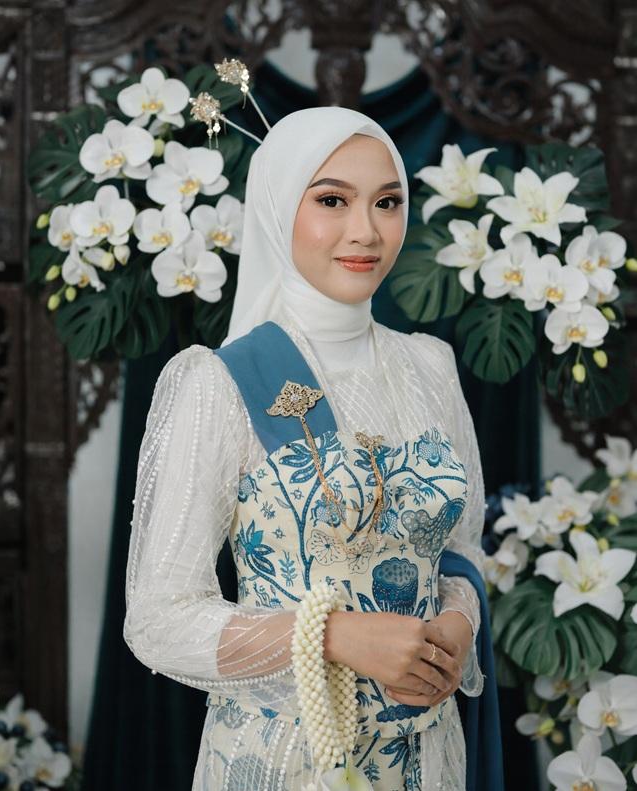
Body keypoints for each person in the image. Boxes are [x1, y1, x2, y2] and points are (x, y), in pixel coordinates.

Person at [123, 106, 503, 791]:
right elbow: (157, 620)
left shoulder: (429, 367)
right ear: (277, 208)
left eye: (386, 202)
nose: (366, 231)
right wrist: (332, 635)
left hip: (428, 756)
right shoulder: (219, 383)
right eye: (332, 200)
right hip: (284, 759)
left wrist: (455, 622)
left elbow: (460, 552)